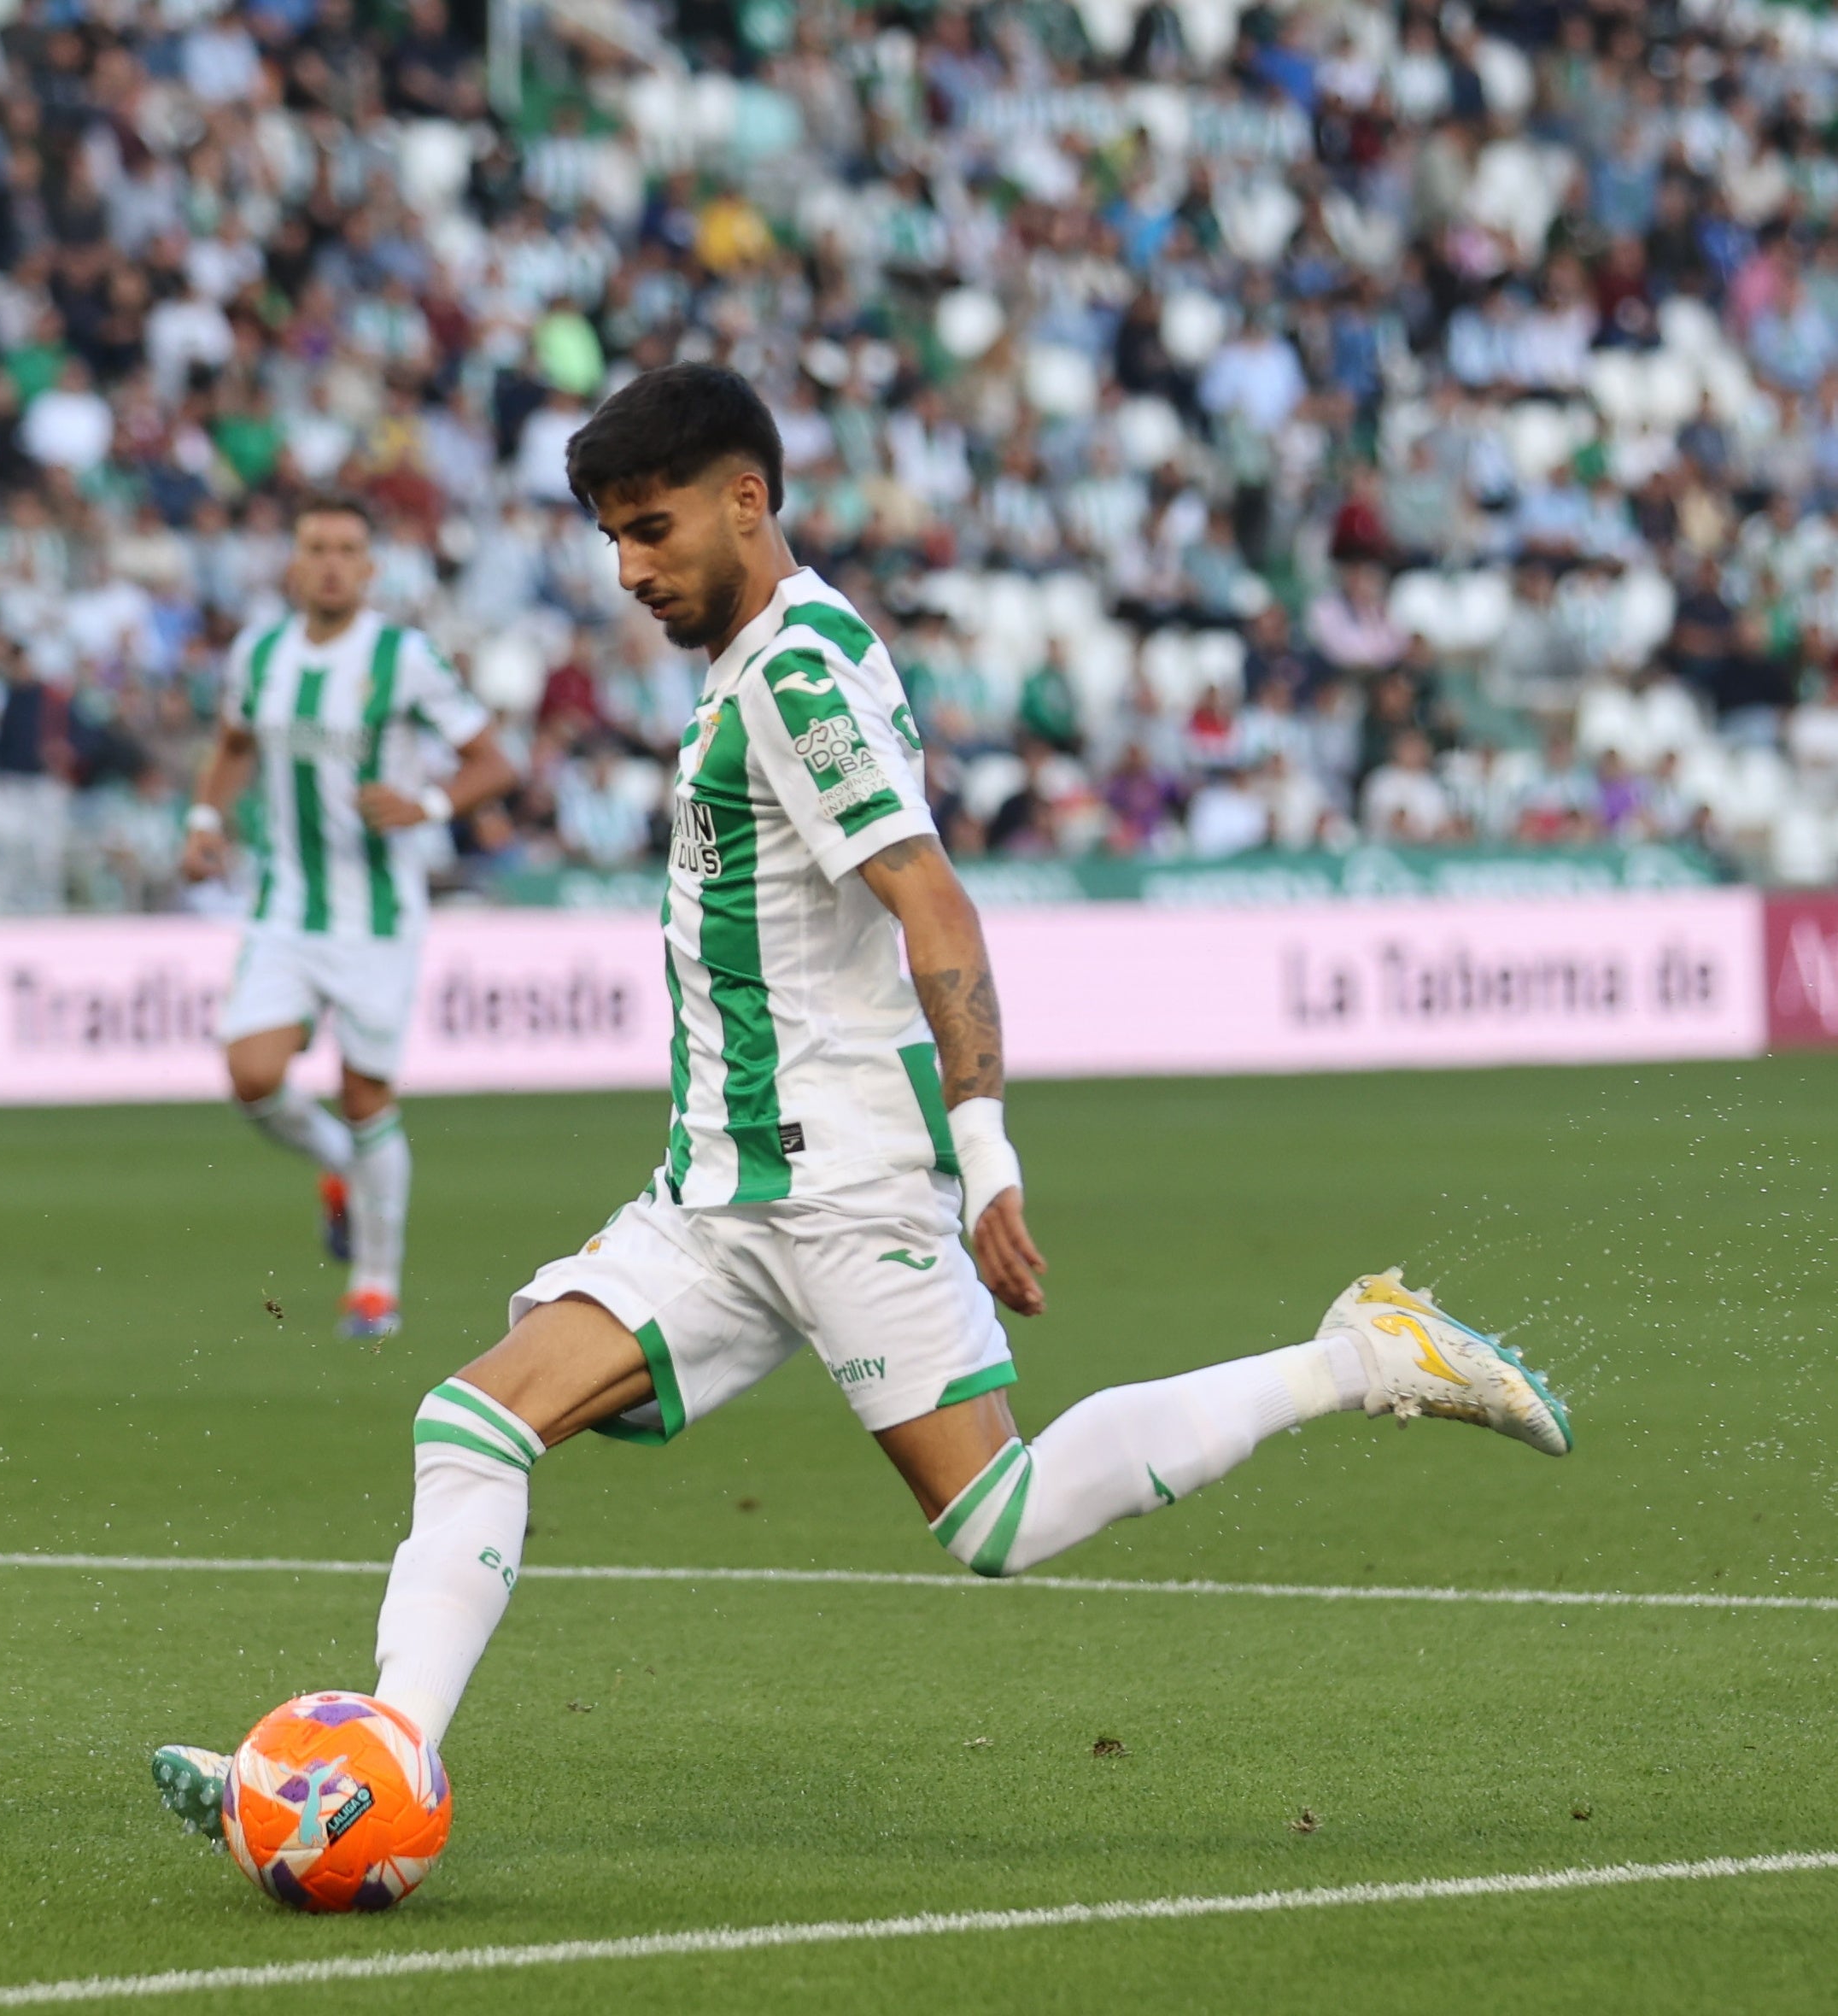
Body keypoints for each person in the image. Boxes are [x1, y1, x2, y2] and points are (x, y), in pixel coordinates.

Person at [149, 366, 1573, 1840]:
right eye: (611, 542)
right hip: (716, 1191)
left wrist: (982, 1150)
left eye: (651, 530)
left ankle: (1360, 1355)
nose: (631, 570)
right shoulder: (758, 655)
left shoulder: (798, 678)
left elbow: (931, 903)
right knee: (469, 1424)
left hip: (840, 1186)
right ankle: (379, 1764)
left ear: (745, 500)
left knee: (997, 1523)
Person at [176, 492, 514, 1340]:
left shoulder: (404, 657)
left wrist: (427, 803)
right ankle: (338, 1169)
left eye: (347, 548)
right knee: (252, 1073)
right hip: (284, 903)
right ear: (293, 563)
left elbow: (493, 760)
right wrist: (206, 821)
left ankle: (374, 1284)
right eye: (315, 545)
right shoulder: (257, 657)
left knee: (366, 1092)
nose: (330, 561)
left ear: (370, 568)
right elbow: (235, 745)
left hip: (376, 912)